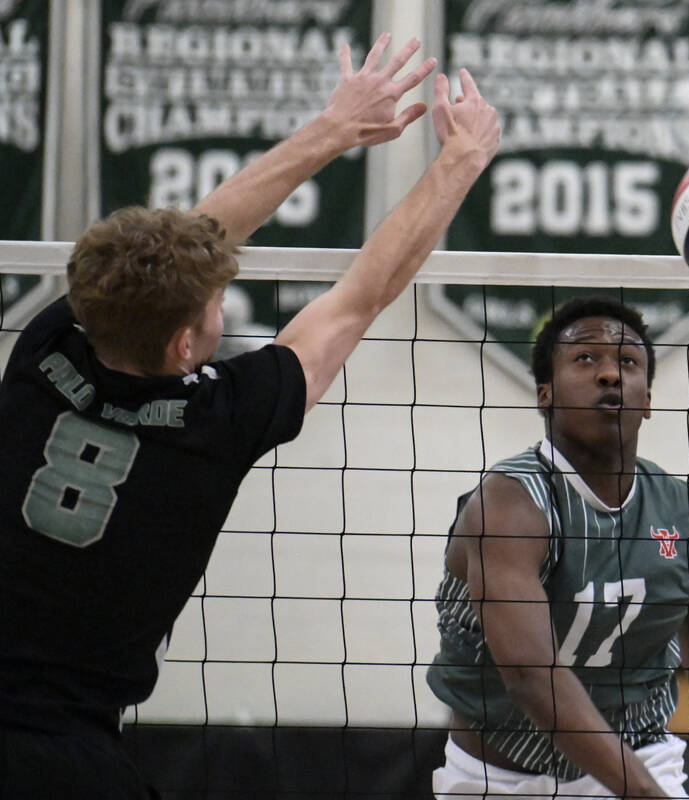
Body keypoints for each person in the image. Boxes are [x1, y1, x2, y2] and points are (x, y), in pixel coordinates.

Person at [0, 33, 499, 798]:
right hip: (63, 757)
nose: (220, 300)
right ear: (183, 342)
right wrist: (460, 161)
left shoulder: (44, 352)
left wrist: (333, 128)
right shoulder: (219, 422)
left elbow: (182, 246)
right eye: (213, 302)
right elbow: (363, 293)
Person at [426, 296, 689, 799]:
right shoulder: (509, 505)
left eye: (627, 362)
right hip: (499, 775)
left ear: (647, 397)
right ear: (545, 394)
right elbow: (530, 675)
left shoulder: (684, 514)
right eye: (585, 359)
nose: (609, 374)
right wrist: (644, 794)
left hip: (641, 754)